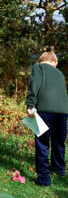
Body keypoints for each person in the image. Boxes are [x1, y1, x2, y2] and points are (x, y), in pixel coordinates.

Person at [26, 49, 68, 186]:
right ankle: (59, 170)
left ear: (42, 60)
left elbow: (34, 85)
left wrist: (30, 104)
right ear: (54, 62)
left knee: (43, 143)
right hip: (62, 112)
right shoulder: (60, 74)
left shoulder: (38, 68)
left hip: (45, 110)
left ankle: (44, 178)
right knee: (59, 141)